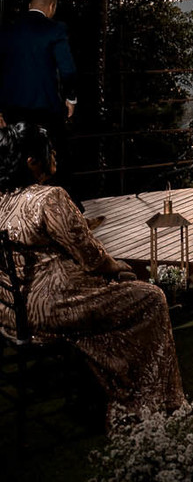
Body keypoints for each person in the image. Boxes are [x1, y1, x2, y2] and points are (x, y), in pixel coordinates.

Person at [0, 121, 183, 425]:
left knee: (113, 293)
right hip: (52, 308)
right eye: (48, 149)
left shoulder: (3, 198)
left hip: (12, 312)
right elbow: (91, 257)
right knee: (151, 298)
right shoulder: (49, 198)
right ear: (31, 160)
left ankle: (103, 389)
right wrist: (116, 266)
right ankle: (151, 399)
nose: (54, 153)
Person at [0, 0, 81, 204]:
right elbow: (68, 70)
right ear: (52, 6)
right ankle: (69, 210)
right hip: (45, 105)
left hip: (12, 107)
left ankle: (17, 209)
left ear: (29, 5)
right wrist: (71, 98)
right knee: (56, 154)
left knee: (17, 158)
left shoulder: (8, 29)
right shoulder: (55, 29)